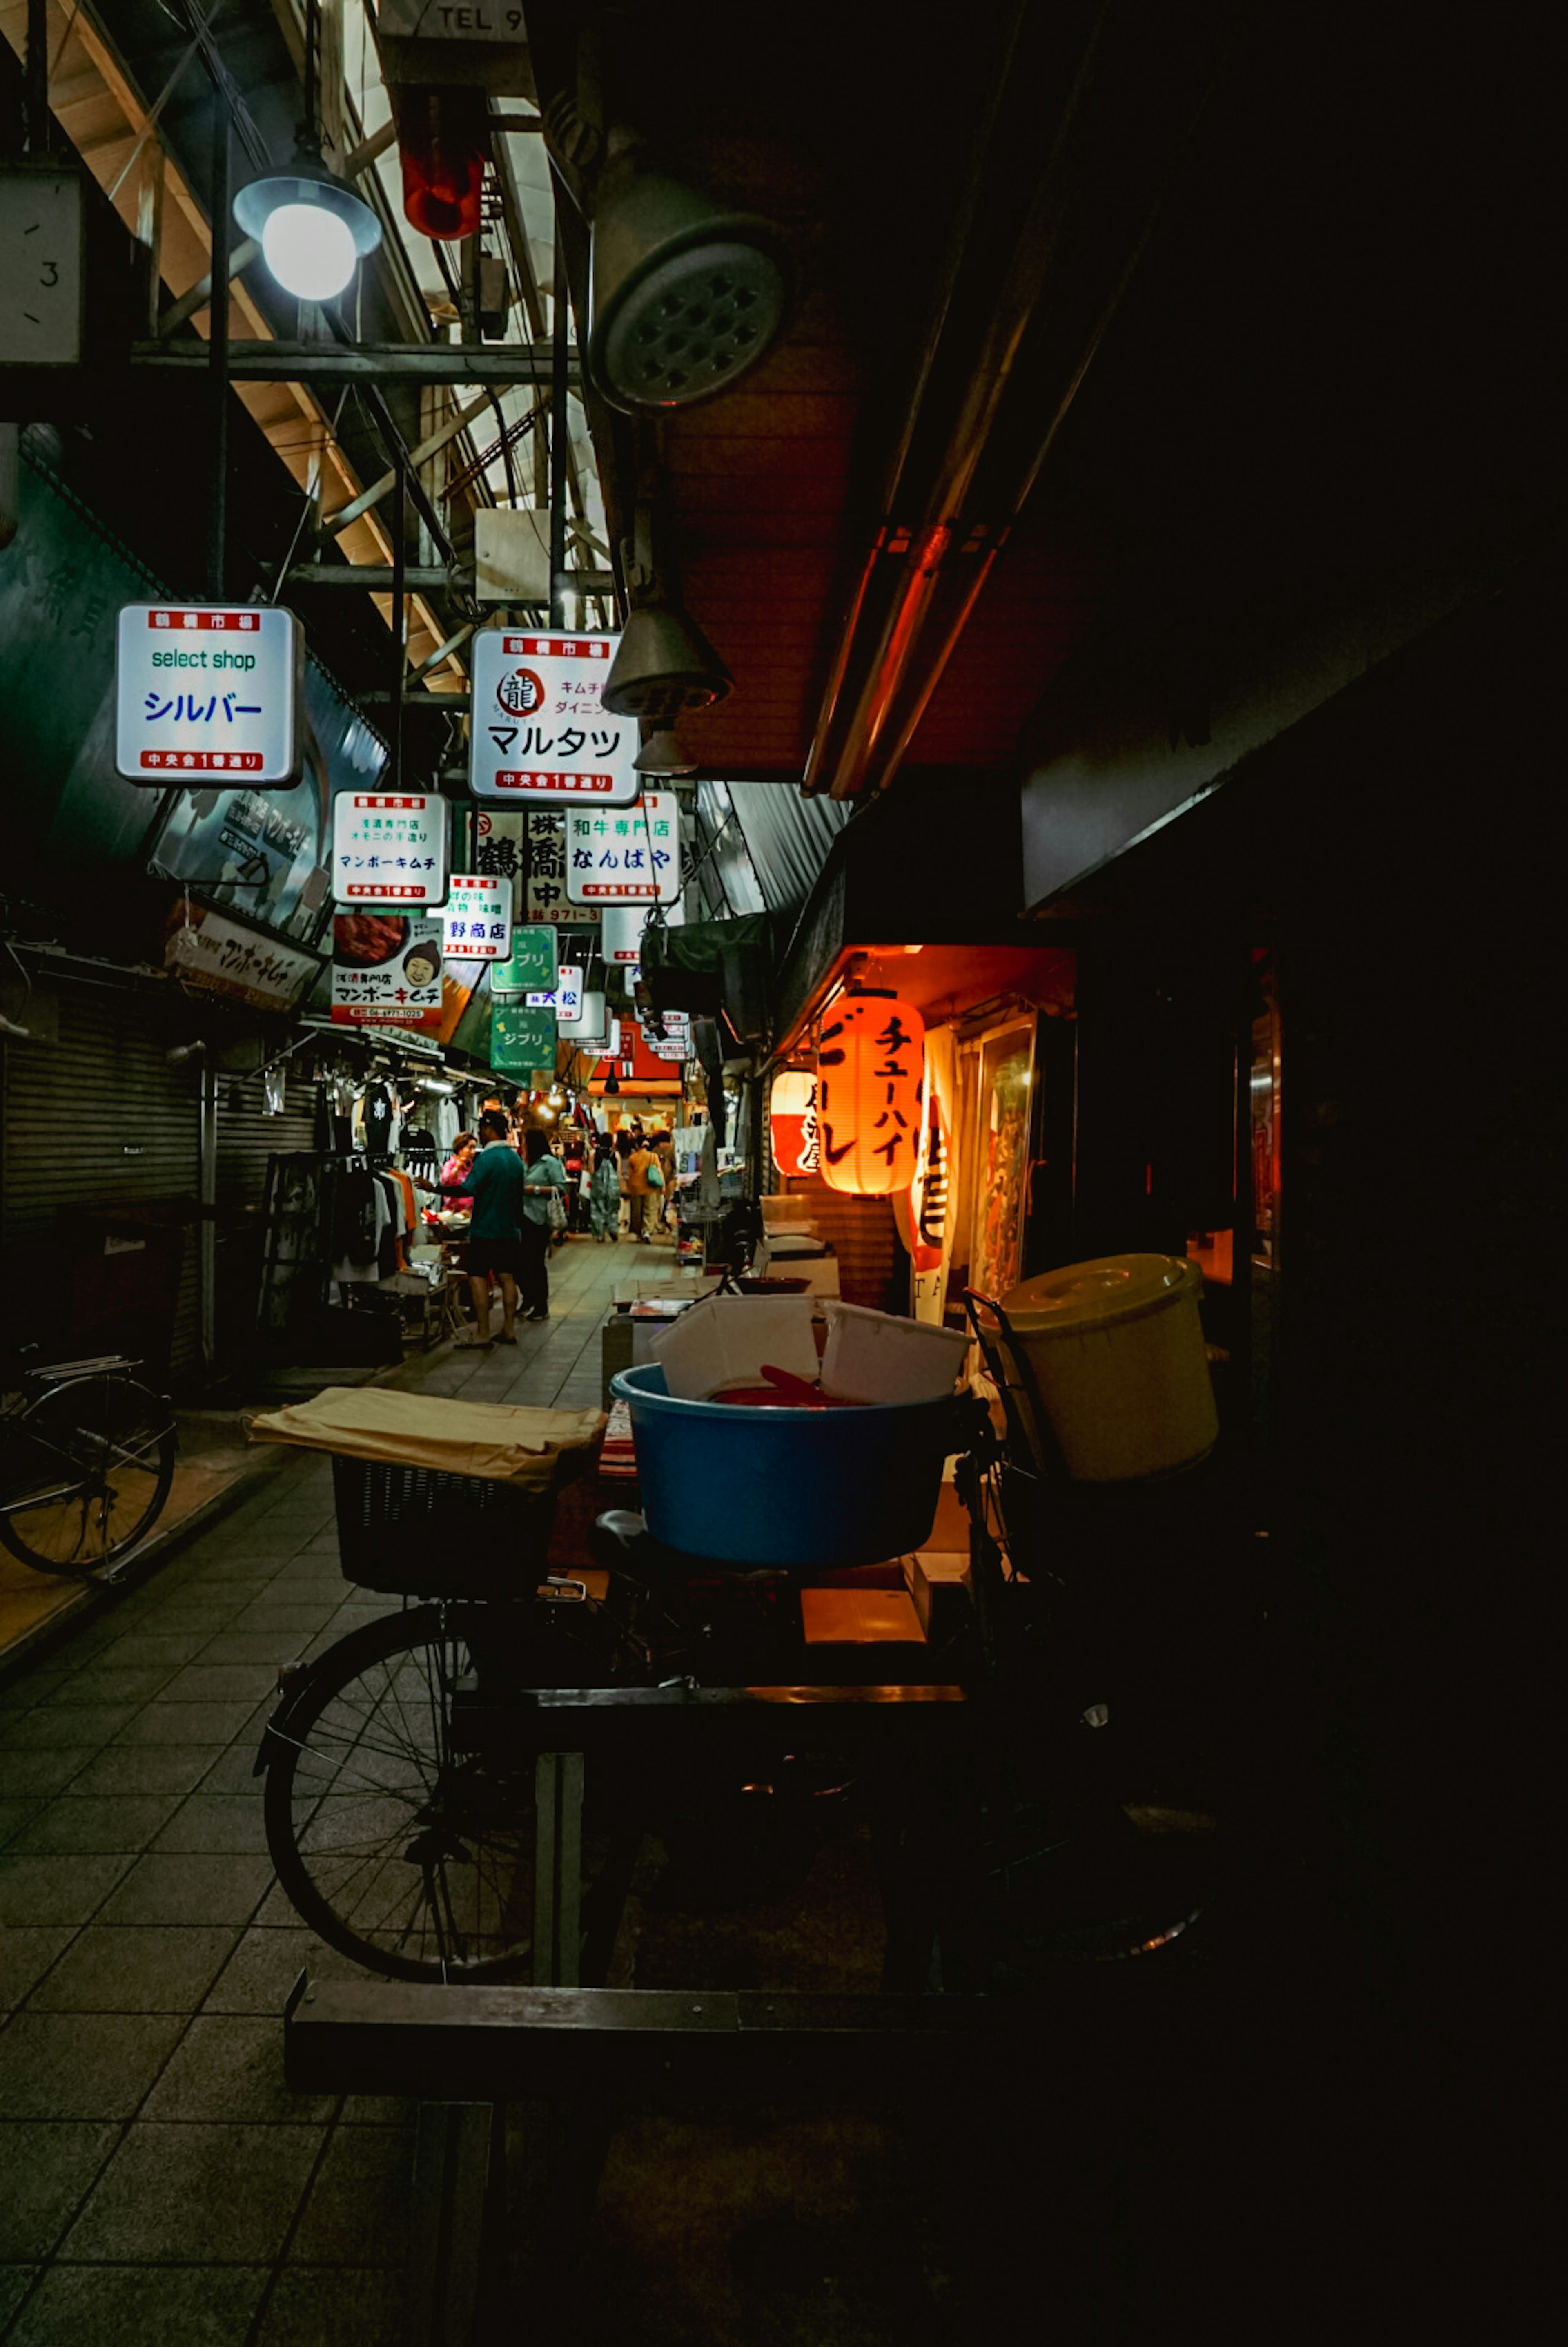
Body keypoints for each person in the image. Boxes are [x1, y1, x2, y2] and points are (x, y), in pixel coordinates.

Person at [416, 1109, 525, 1346]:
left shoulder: (487, 1159)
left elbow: (468, 1189)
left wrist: (433, 1188)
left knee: (477, 1277)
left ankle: (483, 1334)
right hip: (509, 1230)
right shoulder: (516, 1160)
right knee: (508, 1278)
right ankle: (509, 1330)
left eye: (481, 1130)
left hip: (485, 1229)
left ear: (488, 1129)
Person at [519, 1127, 568, 1319]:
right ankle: (528, 1298)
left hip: (540, 1218)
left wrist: (536, 1189)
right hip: (522, 1216)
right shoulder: (525, 1163)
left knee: (536, 1262)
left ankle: (541, 1305)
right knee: (522, 1262)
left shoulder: (550, 1163)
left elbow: (561, 1188)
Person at [589, 1137, 621, 1243]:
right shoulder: (616, 1155)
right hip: (613, 1187)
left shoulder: (594, 1154)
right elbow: (619, 1173)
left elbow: (591, 1170)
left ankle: (599, 1234)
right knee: (613, 1210)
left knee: (597, 1210)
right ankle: (613, 1230)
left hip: (598, 1186)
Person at [626, 1133, 657, 1241]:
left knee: (637, 1211)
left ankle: (639, 1232)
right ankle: (647, 1231)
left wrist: (629, 1187)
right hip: (650, 1186)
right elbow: (659, 1172)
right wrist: (662, 1186)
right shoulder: (653, 1157)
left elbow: (630, 1175)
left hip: (636, 1187)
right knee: (649, 1209)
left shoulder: (633, 1158)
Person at [439, 1131, 478, 1214]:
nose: (473, 1152)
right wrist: (457, 1168)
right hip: (452, 1214)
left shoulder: (472, 1167)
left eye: (474, 1148)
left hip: (470, 1214)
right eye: (470, 1148)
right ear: (460, 1149)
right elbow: (444, 1183)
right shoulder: (450, 1165)